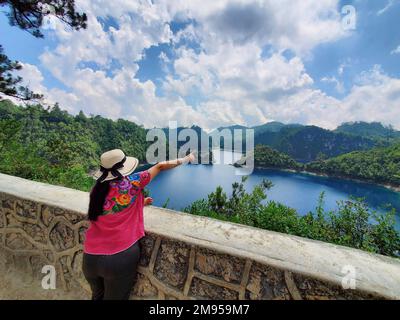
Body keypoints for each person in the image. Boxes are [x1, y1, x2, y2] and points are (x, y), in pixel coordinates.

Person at [82, 148, 195, 300]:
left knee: (97, 296)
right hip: (119, 257)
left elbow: (111, 210)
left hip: (90, 258)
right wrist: (187, 158)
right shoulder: (133, 183)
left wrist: (140, 202)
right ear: (123, 167)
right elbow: (160, 166)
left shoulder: (96, 190)